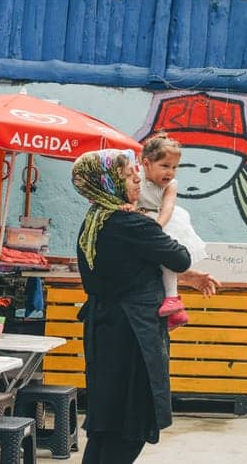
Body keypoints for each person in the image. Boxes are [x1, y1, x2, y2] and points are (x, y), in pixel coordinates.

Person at [73, 148, 217, 464]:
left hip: (104, 327)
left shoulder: (94, 220)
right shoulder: (130, 223)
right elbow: (179, 256)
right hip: (132, 332)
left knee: (106, 424)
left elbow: (128, 264)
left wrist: (187, 277)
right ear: (108, 182)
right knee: (131, 422)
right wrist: (162, 217)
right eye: (127, 175)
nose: (137, 178)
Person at [138, 134, 209, 331]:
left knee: (168, 259)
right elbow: (132, 201)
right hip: (142, 219)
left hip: (162, 220)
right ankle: (173, 311)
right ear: (146, 164)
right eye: (165, 166)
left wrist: (157, 226)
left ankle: (172, 299)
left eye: (175, 167)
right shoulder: (136, 179)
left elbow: (168, 208)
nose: (170, 172)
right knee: (156, 263)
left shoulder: (171, 185)